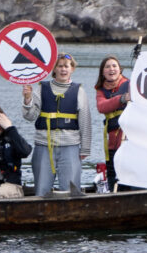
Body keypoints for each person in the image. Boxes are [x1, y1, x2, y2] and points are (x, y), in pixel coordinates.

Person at [21, 54, 98, 197]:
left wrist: (85, 149)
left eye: (66, 66)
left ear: (72, 69)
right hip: (44, 145)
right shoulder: (40, 88)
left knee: (71, 190)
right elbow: (29, 116)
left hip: (70, 146)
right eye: (60, 66)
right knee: (41, 190)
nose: (63, 69)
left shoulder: (79, 91)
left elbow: (85, 121)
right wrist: (27, 99)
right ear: (54, 69)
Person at [94, 55, 129, 191]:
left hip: (128, 139)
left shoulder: (130, 85)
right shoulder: (100, 90)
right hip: (112, 141)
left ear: (120, 69)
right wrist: (121, 99)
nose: (111, 69)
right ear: (103, 72)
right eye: (107, 67)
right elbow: (102, 107)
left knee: (128, 172)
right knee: (112, 173)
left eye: (114, 66)